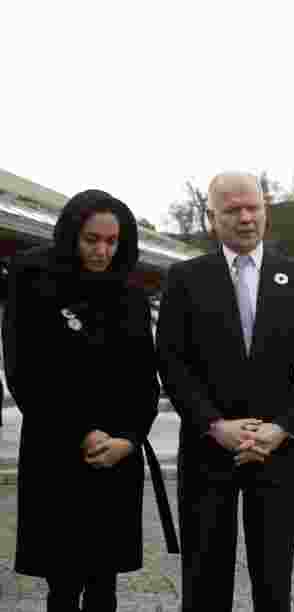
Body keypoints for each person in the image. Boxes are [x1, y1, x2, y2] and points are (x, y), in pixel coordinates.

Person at [156, 171, 294, 611]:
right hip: (207, 448)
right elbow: (173, 363)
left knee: (274, 579)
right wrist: (215, 425)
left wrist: (284, 428)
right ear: (212, 217)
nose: (246, 217)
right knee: (204, 579)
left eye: (254, 207)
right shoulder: (184, 279)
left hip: (277, 450)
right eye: (233, 210)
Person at [2, 189, 165, 611]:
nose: (102, 250)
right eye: (92, 239)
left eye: (112, 242)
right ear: (72, 234)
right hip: (56, 450)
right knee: (62, 582)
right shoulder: (32, 276)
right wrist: (83, 432)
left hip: (116, 453)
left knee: (104, 583)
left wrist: (128, 438)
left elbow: (144, 379)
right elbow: (25, 372)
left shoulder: (129, 292)